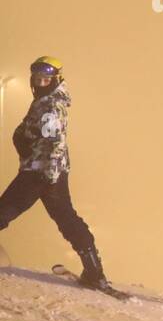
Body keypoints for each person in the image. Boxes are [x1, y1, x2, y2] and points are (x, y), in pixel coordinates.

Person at [0, 57, 111, 289]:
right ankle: (94, 271)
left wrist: (46, 173)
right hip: (51, 172)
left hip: (40, 172)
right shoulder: (46, 101)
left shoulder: (50, 105)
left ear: (55, 79)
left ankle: (94, 272)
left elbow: (53, 141)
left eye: (46, 79)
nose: (41, 83)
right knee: (68, 219)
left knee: (4, 210)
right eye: (38, 79)